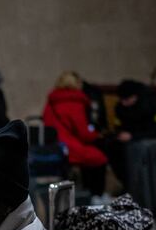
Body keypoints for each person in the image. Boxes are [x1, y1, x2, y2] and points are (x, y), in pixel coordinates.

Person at [43, 71, 110, 201]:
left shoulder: (52, 100)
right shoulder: (75, 101)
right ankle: (96, 195)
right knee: (99, 157)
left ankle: (89, 193)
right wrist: (97, 135)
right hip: (70, 146)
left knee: (90, 155)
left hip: (56, 147)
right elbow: (84, 133)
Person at [106, 79, 156, 185]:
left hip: (153, 142)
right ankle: (128, 185)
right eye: (121, 99)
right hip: (131, 142)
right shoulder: (121, 107)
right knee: (112, 146)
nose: (124, 103)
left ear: (135, 96)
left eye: (126, 99)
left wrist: (134, 136)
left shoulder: (154, 102)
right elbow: (118, 126)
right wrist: (120, 134)